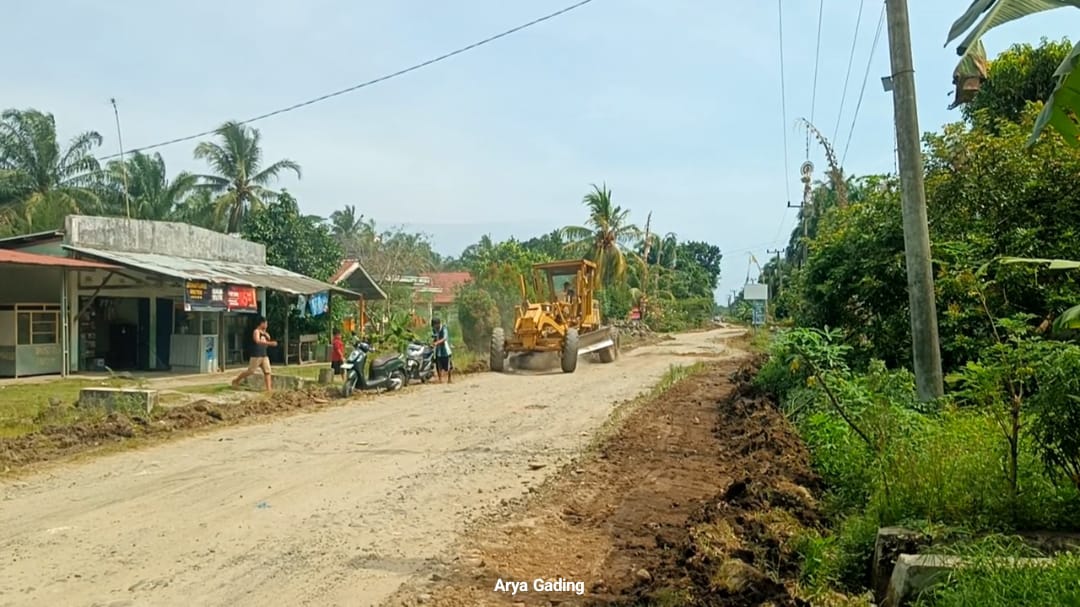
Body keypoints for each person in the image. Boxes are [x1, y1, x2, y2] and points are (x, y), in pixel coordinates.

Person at [231, 315, 277, 392]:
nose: (266, 325)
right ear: (261, 323)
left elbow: (268, 338)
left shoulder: (265, 333)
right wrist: (270, 343)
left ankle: (269, 389)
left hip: (264, 355)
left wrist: (265, 333)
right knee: (251, 371)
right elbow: (257, 341)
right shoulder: (256, 331)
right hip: (256, 354)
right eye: (265, 323)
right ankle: (236, 380)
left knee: (267, 371)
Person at [431, 317, 452, 384]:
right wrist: (433, 342)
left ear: (438, 324)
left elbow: (445, 338)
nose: (434, 327)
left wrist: (437, 343)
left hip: (445, 349)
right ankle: (440, 379)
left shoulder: (444, 328)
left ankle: (449, 379)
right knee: (438, 363)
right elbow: (434, 337)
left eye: (435, 325)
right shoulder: (434, 329)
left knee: (448, 364)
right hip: (438, 350)